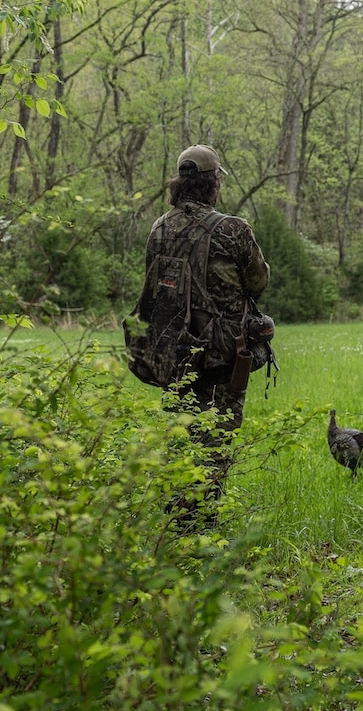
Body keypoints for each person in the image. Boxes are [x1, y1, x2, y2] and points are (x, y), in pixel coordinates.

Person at [140, 143, 269, 528]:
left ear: (180, 183)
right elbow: (258, 282)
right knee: (215, 439)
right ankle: (199, 529)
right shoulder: (233, 229)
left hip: (174, 353)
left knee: (180, 434)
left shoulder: (159, 227)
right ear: (214, 182)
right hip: (222, 356)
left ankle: (177, 521)